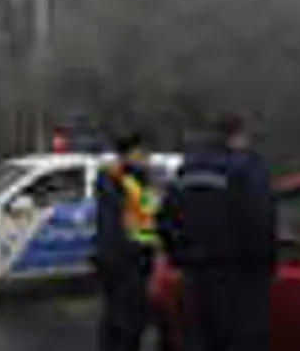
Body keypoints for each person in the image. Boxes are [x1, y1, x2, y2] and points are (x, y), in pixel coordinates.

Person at [157, 113, 276, 351]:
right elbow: (260, 219)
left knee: (200, 340)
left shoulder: (187, 170)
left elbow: (165, 219)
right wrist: (265, 265)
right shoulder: (247, 167)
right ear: (238, 136)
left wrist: (179, 257)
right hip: (237, 276)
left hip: (195, 276)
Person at [94, 130, 160, 351]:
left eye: (148, 154)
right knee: (124, 323)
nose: (147, 158)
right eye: (142, 154)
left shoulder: (143, 180)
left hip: (140, 260)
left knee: (130, 321)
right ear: (127, 155)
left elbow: (151, 216)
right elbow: (115, 225)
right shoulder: (117, 180)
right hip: (125, 261)